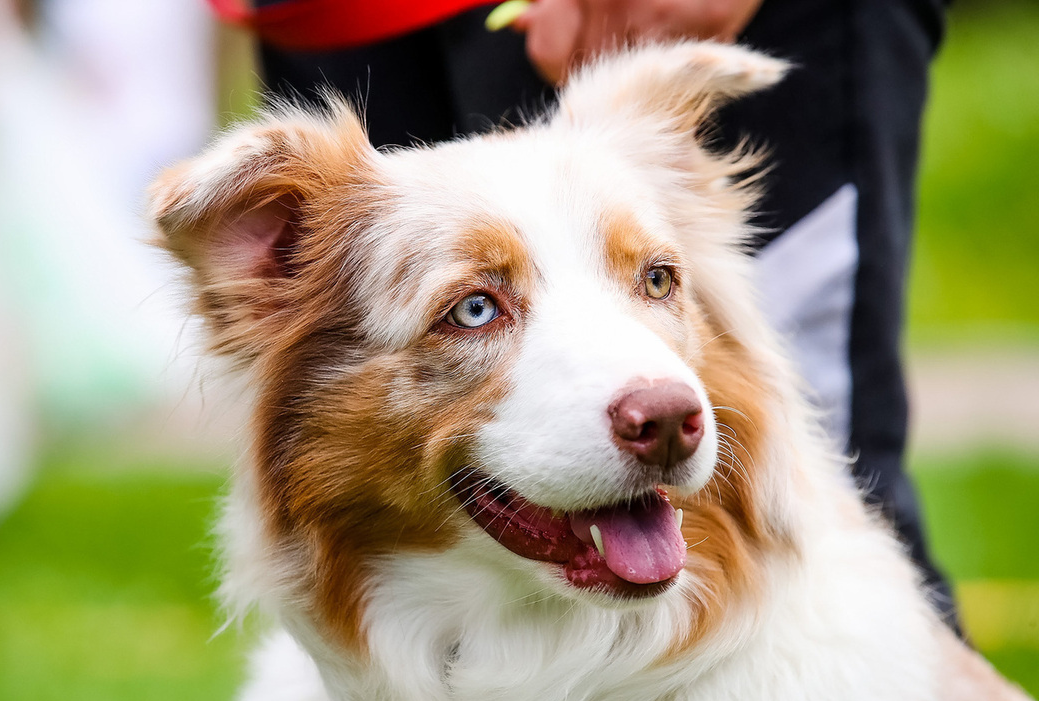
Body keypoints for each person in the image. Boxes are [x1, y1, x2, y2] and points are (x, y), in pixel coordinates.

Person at [221, 0, 959, 628]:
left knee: (837, 500)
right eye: (476, 307)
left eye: (657, 280)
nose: (656, 400)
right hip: (334, 18)